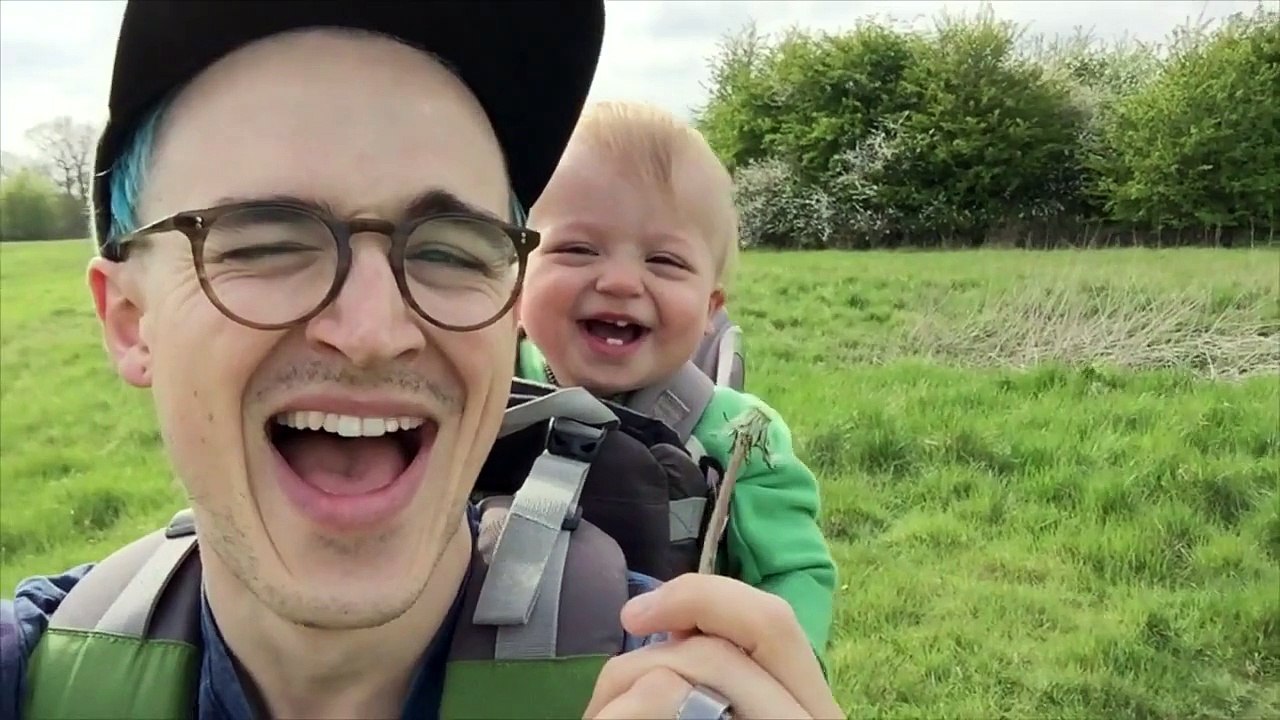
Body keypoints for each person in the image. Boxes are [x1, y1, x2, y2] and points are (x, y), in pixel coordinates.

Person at [0, 2, 845, 719]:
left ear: (506, 309)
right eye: (265, 241)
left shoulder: (659, 679)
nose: (374, 330)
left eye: (449, 249)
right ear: (130, 319)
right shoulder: (35, 672)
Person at [514, 101, 838, 666]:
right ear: (515, 280)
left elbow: (795, 573)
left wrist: (781, 675)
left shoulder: (739, 437)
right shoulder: (480, 396)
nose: (618, 281)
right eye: (577, 249)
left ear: (711, 309)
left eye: (663, 261)